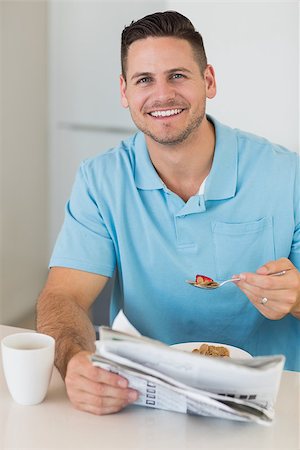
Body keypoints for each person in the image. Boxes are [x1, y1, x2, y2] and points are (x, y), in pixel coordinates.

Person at [36, 10, 300, 415]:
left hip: (275, 399)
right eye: (144, 80)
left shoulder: (287, 174)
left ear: (208, 81)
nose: (162, 95)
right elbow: (63, 296)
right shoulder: (100, 179)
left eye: (178, 75)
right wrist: (74, 361)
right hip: (143, 396)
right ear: (125, 92)